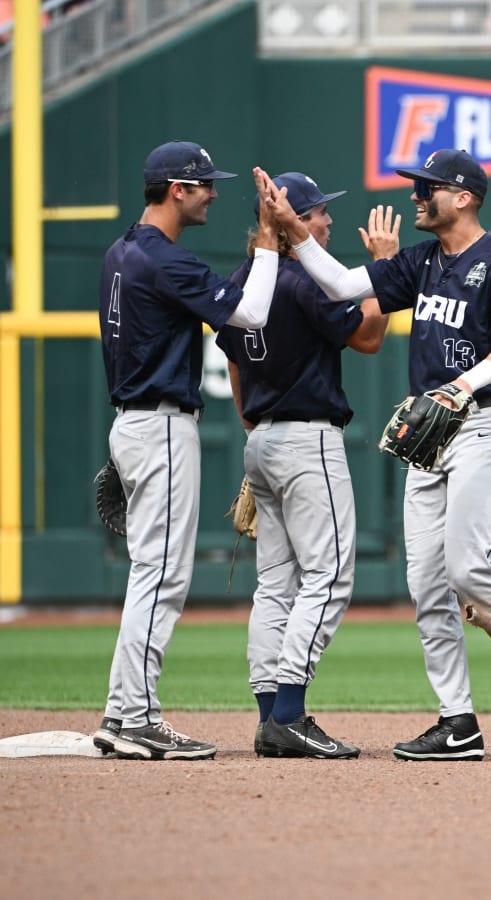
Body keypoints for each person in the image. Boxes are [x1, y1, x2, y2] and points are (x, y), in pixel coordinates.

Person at [259, 148, 491, 761]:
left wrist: (462, 386)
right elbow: (346, 285)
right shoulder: (424, 261)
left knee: (465, 567)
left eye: (429, 188)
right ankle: (457, 720)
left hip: (480, 422)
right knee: (425, 583)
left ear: (464, 197)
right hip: (429, 438)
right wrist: (294, 232)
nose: (416, 197)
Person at [93, 140, 282, 760]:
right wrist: (274, 242)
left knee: (154, 571)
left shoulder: (122, 251)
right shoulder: (165, 260)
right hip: (160, 426)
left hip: (133, 423)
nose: (213, 192)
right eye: (204, 184)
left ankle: (125, 712)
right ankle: (134, 717)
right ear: (177, 190)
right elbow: (251, 315)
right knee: (164, 574)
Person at [216, 172, 392, 759]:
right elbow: (367, 338)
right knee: (330, 575)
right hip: (306, 440)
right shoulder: (300, 279)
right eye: (318, 213)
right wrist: (384, 275)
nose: (327, 221)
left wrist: (254, 425)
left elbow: (233, 364)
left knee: (276, 584)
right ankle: (289, 712)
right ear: (293, 222)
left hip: (263, 439)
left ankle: (270, 716)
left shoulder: (248, 276)